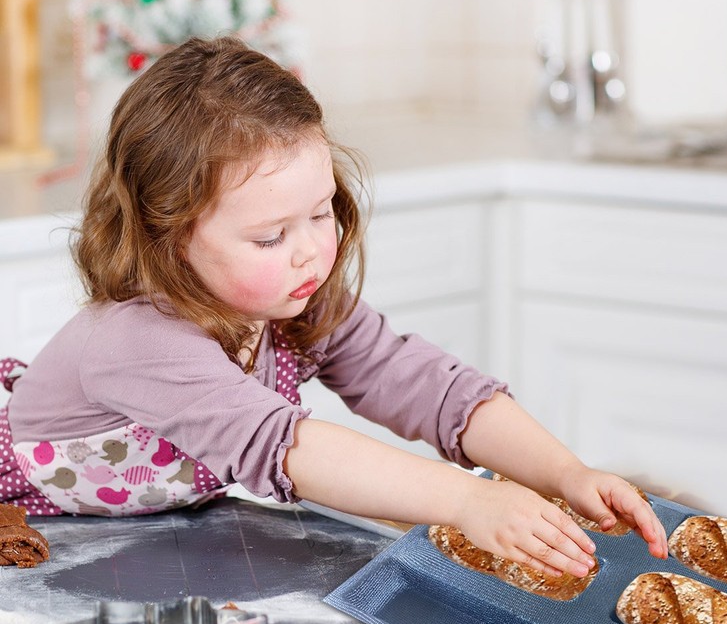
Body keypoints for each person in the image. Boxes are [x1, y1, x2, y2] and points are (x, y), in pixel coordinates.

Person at [0, 36, 667, 579]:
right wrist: (467, 499)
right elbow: (288, 448)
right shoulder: (135, 340)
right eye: (270, 236)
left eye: (320, 212)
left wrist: (564, 471)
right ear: (168, 239)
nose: (310, 252)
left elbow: (423, 386)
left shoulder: (292, 303)